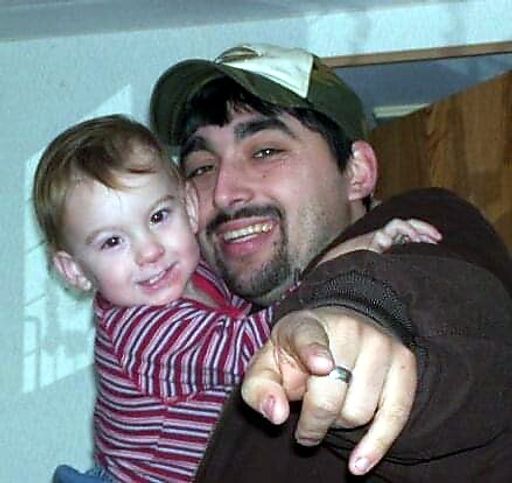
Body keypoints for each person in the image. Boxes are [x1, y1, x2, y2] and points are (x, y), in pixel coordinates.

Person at [150, 43, 512, 481]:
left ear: (357, 171)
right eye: (201, 168)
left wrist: (357, 316)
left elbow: (449, 319)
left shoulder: (425, 222)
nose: (224, 193)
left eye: (265, 152)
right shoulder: (199, 317)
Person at [33, 115, 435, 482]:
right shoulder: (142, 330)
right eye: (112, 242)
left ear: (189, 207)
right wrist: (348, 256)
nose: (149, 251)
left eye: (158, 217)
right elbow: (257, 342)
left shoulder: (196, 273)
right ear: (74, 271)